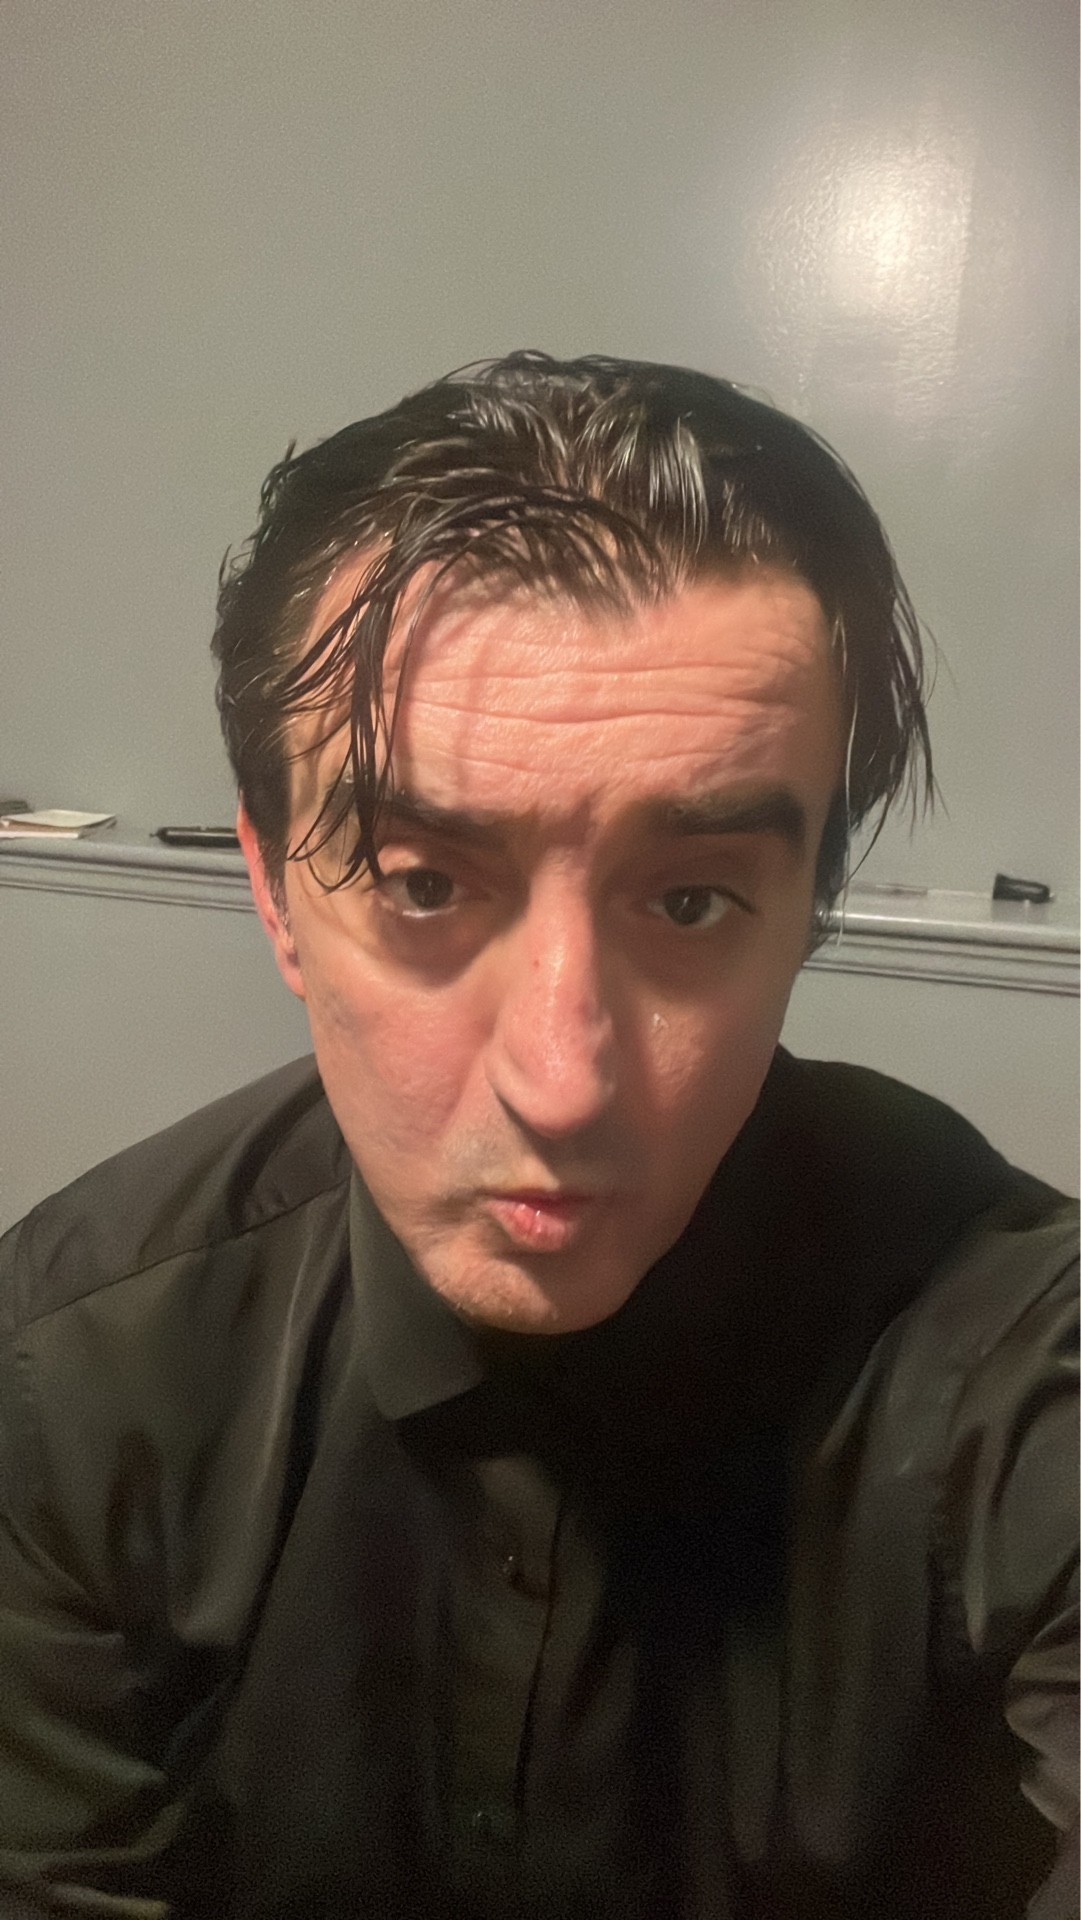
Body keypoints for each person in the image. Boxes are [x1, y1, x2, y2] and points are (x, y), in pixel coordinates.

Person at [0, 353, 1075, 1920]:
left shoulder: (1015, 1362)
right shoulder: (79, 1374)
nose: (561, 1083)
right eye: (425, 884)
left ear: (807, 911)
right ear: (276, 896)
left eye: (689, 900)